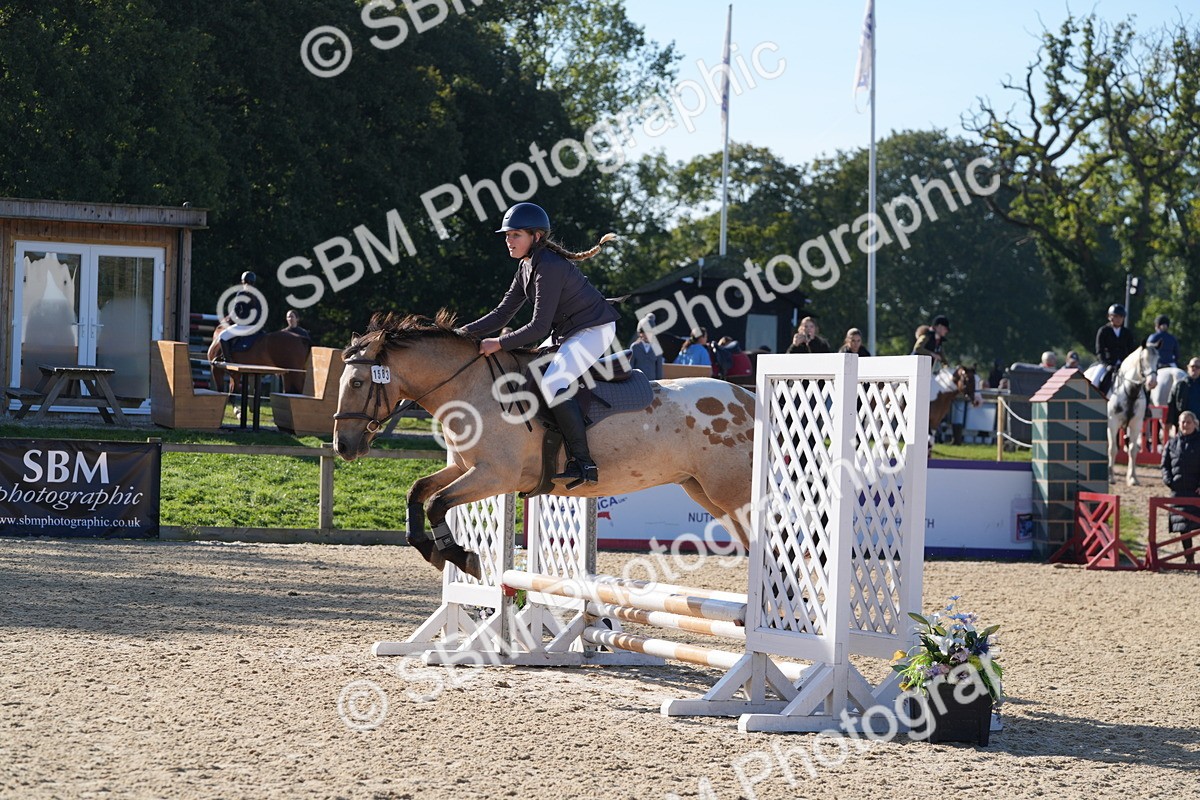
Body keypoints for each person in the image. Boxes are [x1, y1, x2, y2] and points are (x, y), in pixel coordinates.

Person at [459, 202, 618, 487]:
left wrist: (499, 343)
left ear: (537, 236)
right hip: (568, 332)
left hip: (594, 329)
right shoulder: (526, 267)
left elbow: (539, 327)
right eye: (507, 235)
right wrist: (459, 334)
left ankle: (584, 463)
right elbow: (502, 314)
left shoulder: (550, 267)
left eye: (516, 235)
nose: (509, 240)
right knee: (528, 372)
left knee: (553, 382)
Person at [1161, 410, 1200, 564]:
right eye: (1182, 422)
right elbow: (1165, 465)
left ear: (1195, 424)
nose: (1185, 425)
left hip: (1196, 490)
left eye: (1188, 422)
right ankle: (1189, 557)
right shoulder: (1171, 443)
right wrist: (1169, 481)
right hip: (1179, 490)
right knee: (1183, 526)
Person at [217, 271, 263, 364]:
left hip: (245, 326)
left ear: (242, 281)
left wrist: (230, 318)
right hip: (257, 327)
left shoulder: (241, 293)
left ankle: (227, 360)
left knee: (222, 337)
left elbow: (236, 311)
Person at [1094, 303, 1136, 396]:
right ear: (1110, 317)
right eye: (1116, 316)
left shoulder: (1127, 333)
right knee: (1094, 381)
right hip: (1107, 364)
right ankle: (1094, 399)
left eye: (1121, 317)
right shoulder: (1103, 331)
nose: (1118, 319)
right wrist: (1106, 364)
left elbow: (1131, 351)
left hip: (1124, 364)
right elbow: (1099, 351)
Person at [1167, 358, 1200, 433]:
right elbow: (1172, 403)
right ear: (1188, 367)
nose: (1194, 369)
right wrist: (1170, 421)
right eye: (1192, 366)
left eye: (1197, 367)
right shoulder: (1180, 384)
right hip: (1183, 424)